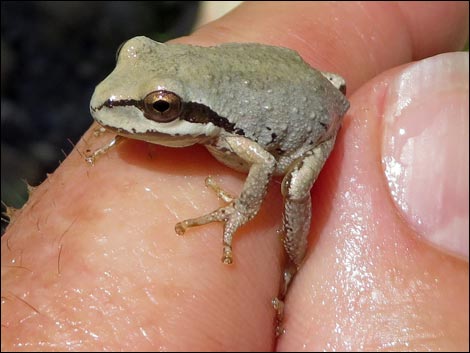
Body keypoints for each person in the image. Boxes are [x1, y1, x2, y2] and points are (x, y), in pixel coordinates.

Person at [2, 2, 468, 351]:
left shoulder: (229, 141)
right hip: (275, 83)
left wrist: (241, 209)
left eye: (160, 108)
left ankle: (292, 261)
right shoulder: (183, 99)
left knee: (295, 185)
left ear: (182, 111)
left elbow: (263, 161)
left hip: (307, 128)